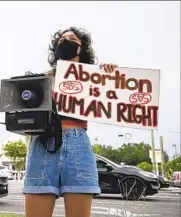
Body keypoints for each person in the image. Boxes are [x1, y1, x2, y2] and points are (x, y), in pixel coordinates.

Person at [23, 27, 117, 217]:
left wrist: (109, 76)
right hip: (44, 142)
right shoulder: (44, 78)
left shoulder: (94, 77)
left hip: (78, 144)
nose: (66, 41)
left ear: (82, 48)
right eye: (61, 40)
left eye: (72, 38)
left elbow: (113, 98)